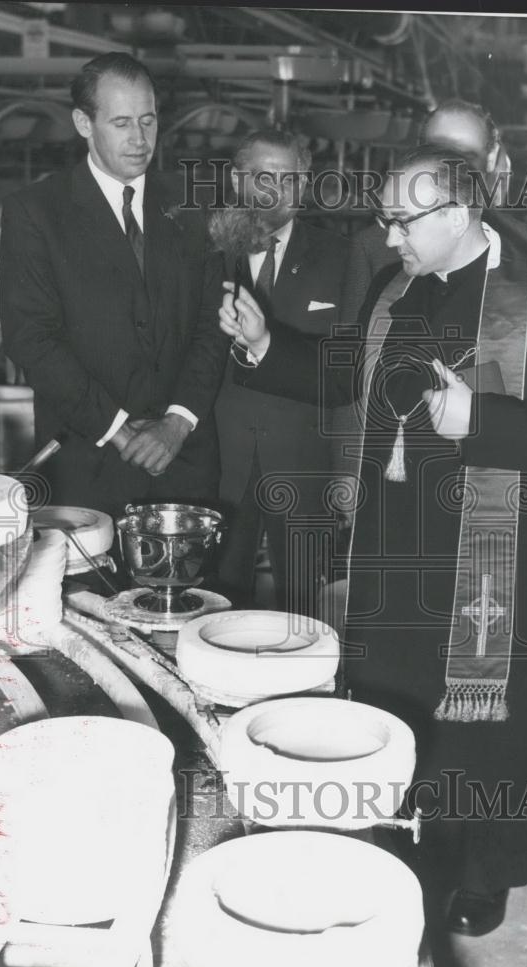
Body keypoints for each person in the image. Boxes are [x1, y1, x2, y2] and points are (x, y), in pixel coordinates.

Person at [218, 146, 527, 944]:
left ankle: (484, 871)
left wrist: (483, 420)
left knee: (484, 727)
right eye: (386, 217)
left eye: (403, 219)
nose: (389, 234)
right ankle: (406, 844)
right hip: (391, 543)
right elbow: (347, 376)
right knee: (395, 705)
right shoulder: (392, 289)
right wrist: (266, 345)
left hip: (487, 554)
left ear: (461, 213)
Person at [0, 53, 227, 521]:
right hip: (87, 465)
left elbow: (213, 324)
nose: (140, 139)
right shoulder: (36, 211)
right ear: (83, 123)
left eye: (148, 120)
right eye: (121, 123)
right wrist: (119, 430)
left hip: (184, 461)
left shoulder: (195, 204)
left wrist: (177, 422)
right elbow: (31, 338)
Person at [213, 129, 348, 615]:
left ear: (305, 184)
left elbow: (344, 371)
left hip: (305, 465)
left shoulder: (342, 258)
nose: (275, 192)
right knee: (214, 605)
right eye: (262, 177)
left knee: (304, 615)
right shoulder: (206, 253)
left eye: (289, 179)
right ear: (237, 181)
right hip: (218, 463)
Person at [339, 97, 527, 326]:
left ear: (491, 158)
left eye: (467, 156)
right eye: (437, 152)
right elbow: (353, 340)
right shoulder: (371, 249)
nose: (451, 168)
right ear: (418, 153)